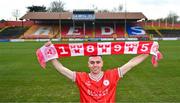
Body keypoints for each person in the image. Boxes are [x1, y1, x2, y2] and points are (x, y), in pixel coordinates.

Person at [45, 41, 149, 103]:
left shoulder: (112, 75)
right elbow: (61, 69)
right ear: (88, 64)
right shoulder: (81, 77)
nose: (95, 65)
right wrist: (50, 54)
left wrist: (149, 51)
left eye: (98, 62)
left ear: (102, 63)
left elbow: (131, 63)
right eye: (92, 62)